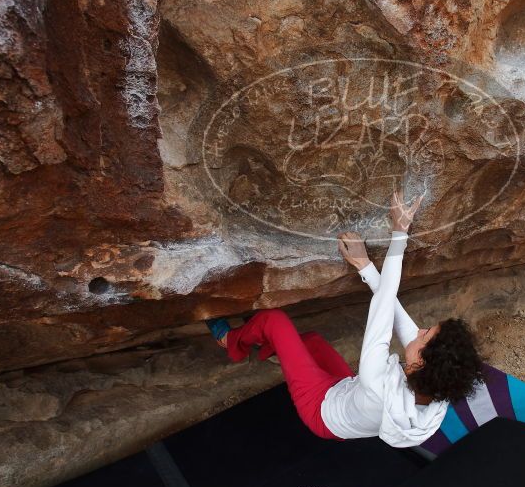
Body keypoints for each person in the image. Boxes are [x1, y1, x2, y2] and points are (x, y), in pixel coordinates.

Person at [207, 191, 484, 447]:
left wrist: (399, 232)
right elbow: (398, 319)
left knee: (274, 321)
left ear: (419, 361)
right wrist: (365, 267)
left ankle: (230, 342)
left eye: (425, 335)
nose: (419, 330)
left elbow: (385, 305)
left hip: (321, 411)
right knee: (312, 341)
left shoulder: (377, 383)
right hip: (349, 396)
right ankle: (271, 347)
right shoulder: (436, 387)